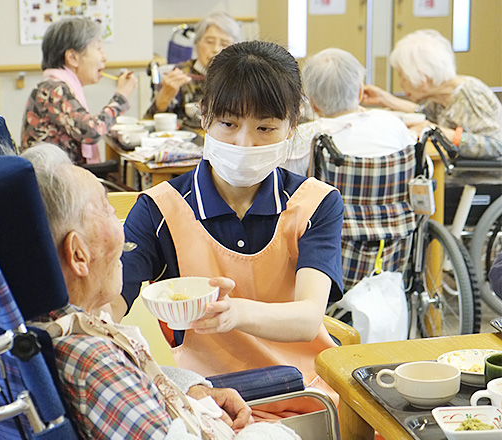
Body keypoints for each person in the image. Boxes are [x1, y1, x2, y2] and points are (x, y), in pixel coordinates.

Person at [116, 41, 345, 419]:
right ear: (204, 116)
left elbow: (307, 319)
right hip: (208, 400)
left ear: (292, 127)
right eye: (228, 123)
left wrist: (233, 313)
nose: (245, 143)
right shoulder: (159, 209)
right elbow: (109, 305)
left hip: (306, 394)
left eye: (266, 127)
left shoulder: (315, 203)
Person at [21, 144, 301, 440]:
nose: (122, 229)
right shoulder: (93, 362)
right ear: (78, 254)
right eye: (107, 209)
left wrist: (193, 390)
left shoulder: (60, 324)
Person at [362, 29, 502, 159]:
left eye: (402, 76)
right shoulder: (441, 95)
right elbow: (423, 113)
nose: (400, 84)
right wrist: (383, 98)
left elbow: (496, 145)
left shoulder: (470, 95)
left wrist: (443, 133)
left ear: (422, 78)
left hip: (475, 181)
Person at [20, 17, 138, 164]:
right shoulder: (53, 90)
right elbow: (91, 132)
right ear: (72, 57)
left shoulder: (56, 85)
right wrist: (122, 96)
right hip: (54, 181)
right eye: (98, 48)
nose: (104, 57)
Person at [283, 48, 416, 176]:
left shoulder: (305, 136)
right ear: (360, 93)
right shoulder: (390, 122)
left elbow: (285, 179)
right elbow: (421, 166)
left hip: (331, 199)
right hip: (392, 198)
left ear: (313, 104)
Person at [143, 12, 242, 126]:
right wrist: (164, 96)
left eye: (224, 43)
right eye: (209, 42)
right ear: (196, 43)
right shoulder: (177, 73)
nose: (216, 49)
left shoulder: (239, 76)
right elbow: (149, 122)